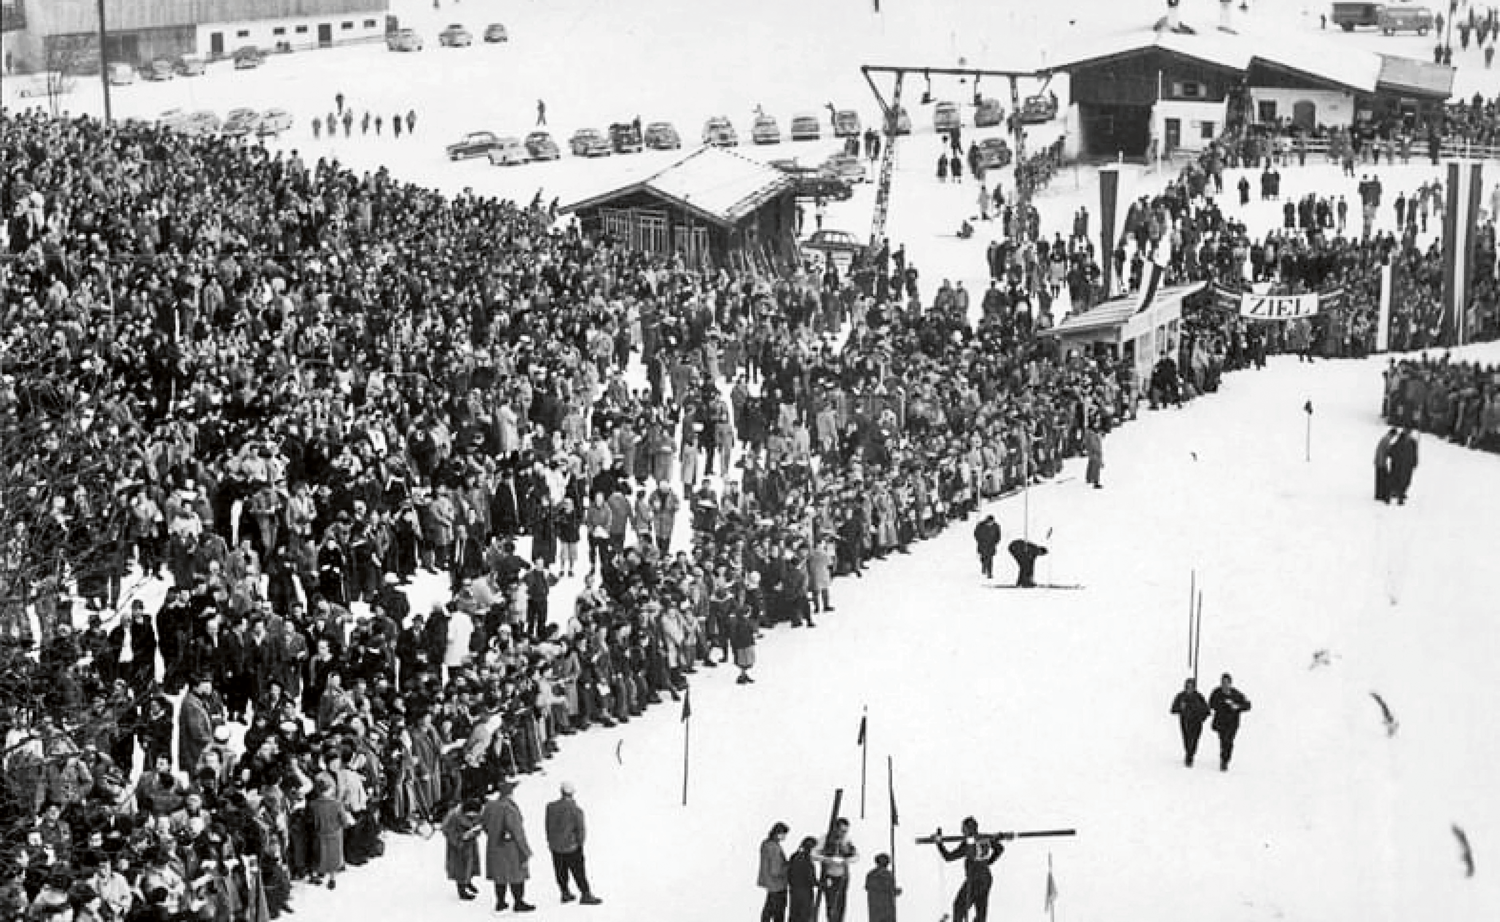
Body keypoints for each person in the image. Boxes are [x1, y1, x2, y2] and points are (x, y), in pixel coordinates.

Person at [932, 817, 1002, 922]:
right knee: (981, 911)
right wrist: (988, 862)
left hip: (974, 881)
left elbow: (948, 857)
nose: (962, 831)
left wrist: (939, 843)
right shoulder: (984, 838)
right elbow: (999, 849)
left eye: (963, 829)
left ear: (967, 829)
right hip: (986, 879)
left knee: (959, 907)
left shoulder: (969, 844)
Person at [482, 779, 535, 911]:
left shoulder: (490, 806)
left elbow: (484, 825)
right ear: (510, 793)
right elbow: (517, 832)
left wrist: (493, 835)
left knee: (499, 876)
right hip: (510, 848)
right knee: (516, 875)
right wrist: (525, 851)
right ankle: (518, 902)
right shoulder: (509, 809)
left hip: (494, 846)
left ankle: (500, 902)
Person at [544, 781, 600, 904]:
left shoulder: (550, 807)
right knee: (579, 871)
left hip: (555, 846)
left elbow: (547, 826)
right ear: (572, 793)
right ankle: (585, 894)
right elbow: (581, 830)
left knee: (560, 871)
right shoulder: (576, 810)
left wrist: (550, 841)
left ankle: (565, 892)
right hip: (571, 847)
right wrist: (580, 844)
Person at [442, 797, 484, 900]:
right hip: (457, 847)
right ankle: (461, 891)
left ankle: (468, 881)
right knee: (460, 868)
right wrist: (460, 838)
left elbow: (479, 824)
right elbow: (447, 831)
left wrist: (475, 832)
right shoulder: (453, 817)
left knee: (471, 864)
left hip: (470, 843)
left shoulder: (477, 814)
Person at [1208, 673, 1252, 771]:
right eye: (1223, 682)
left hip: (1232, 723)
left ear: (1230, 683)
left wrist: (1237, 707)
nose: (1224, 685)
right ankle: (1223, 758)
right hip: (1220, 722)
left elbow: (1248, 705)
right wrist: (1221, 705)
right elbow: (1211, 703)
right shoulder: (1217, 692)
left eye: (1227, 683)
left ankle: (1225, 761)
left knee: (1229, 741)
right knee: (1223, 741)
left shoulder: (1236, 694)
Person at [817, 817, 858, 922]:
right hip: (829, 875)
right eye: (842, 830)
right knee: (831, 903)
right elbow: (814, 854)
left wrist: (846, 860)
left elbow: (856, 856)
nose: (844, 833)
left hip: (842, 876)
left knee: (841, 904)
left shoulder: (847, 840)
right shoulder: (824, 839)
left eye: (846, 831)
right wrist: (827, 859)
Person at [1169, 677, 1211, 767]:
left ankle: (1190, 755)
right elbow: (1173, 709)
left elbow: (1207, 710)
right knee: (1187, 739)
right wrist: (1180, 708)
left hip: (1196, 722)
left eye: (1191, 687)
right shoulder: (1181, 696)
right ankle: (1189, 755)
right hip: (1185, 721)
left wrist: (1202, 717)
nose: (1189, 689)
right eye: (1187, 687)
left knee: (1194, 740)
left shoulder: (1199, 697)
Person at [759, 822, 790, 922]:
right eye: (784, 834)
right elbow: (776, 870)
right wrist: (788, 867)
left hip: (770, 883)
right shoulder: (774, 848)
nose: (785, 837)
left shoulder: (766, 844)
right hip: (777, 884)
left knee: (768, 910)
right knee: (778, 912)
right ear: (778, 833)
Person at [787, 836, 819, 922]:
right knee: (804, 917)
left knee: (794, 916)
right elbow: (811, 879)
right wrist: (822, 884)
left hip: (794, 891)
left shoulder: (794, 856)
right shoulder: (807, 861)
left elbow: (789, 874)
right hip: (805, 894)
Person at [864, 853, 900, 922]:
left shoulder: (887, 874)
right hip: (880, 908)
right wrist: (893, 891)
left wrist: (894, 891)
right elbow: (871, 887)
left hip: (884, 908)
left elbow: (890, 889)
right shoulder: (874, 874)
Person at [1387, 427, 1418, 505]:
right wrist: (1390, 452)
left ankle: (1401, 493)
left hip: (1407, 465)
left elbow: (1415, 453)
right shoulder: (1400, 439)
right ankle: (1395, 493)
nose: (1408, 434)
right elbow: (1394, 449)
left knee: (1405, 480)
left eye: (1409, 432)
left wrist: (1415, 462)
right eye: (1406, 432)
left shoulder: (1413, 442)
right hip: (1399, 464)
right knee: (1397, 478)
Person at [1374, 427, 1397, 502]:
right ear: (1392, 434)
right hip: (1381, 462)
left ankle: (1378, 494)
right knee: (1382, 479)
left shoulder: (1385, 438)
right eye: (1394, 436)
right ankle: (1380, 495)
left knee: (1379, 479)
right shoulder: (1387, 439)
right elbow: (1388, 450)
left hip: (1379, 461)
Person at [1083, 424, 1104, 489]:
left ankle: (1089, 478)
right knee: (1096, 465)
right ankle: (1096, 481)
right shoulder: (1092, 435)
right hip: (1094, 452)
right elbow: (1094, 445)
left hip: (1092, 451)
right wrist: (1098, 452)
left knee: (1091, 463)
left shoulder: (1089, 433)